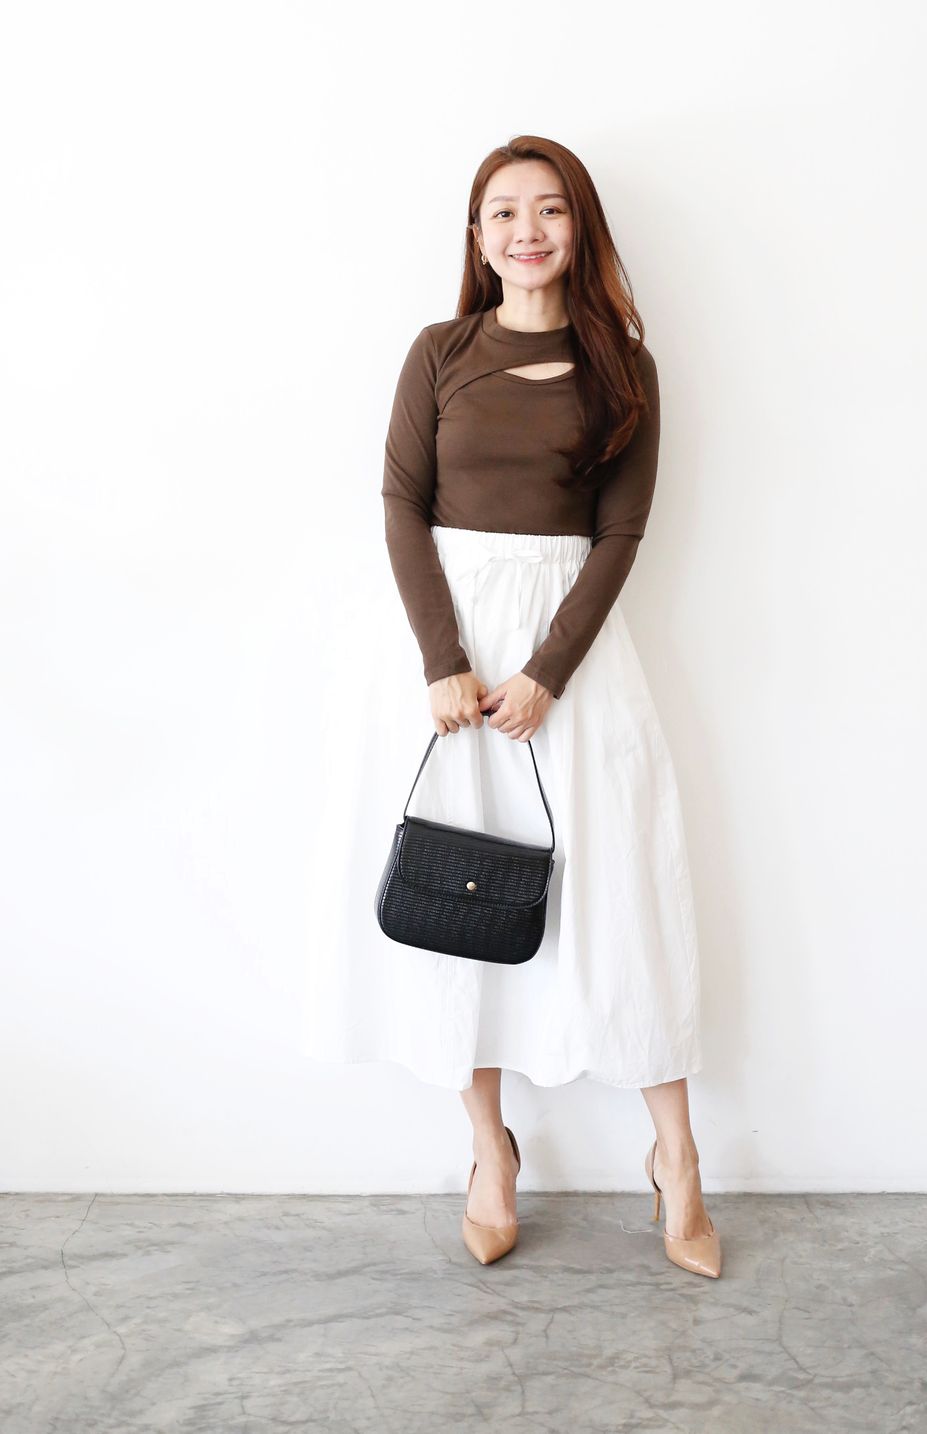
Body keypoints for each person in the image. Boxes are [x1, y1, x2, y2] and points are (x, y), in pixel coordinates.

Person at [301, 134, 720, 1278]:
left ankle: (678, 1161)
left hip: (565, 657)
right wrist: (443, 660)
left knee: (624, 896)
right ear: (477, 238)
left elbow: (621, 532)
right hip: (447, 664)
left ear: (579, 229)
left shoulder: (624, 367)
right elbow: (401, 502)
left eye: (549, 210)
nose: (526, 230)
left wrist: (548, 672)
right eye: (502, 212)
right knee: (458, 896)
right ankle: (490, 1153)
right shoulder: (438, 353)